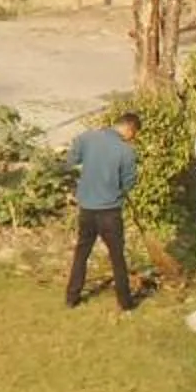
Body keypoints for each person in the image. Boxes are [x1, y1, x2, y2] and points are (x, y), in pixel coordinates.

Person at [64, 110, 142, 311]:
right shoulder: (126, 151)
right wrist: (119, 188)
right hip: (110, 212)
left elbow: (71, 160)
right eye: (134, 134)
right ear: (129, 128)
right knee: (117, 257)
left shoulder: (88, 138)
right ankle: (125, 302)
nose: (133, 138)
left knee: (82, 253)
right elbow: (129, 182)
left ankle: (72, 297)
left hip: (87, 209)